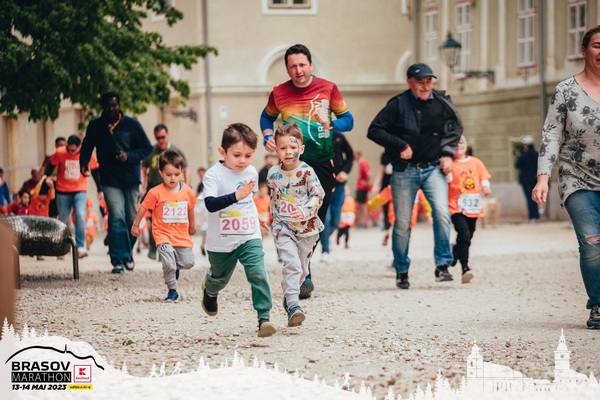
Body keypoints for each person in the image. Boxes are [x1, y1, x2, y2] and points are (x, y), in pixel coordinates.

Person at [260, 43, 354, 298]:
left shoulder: (328, 88)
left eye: (302, 65)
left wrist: (331, 123)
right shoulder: (279, 92)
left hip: (322, 163)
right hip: (291, 164)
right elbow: (266, 118)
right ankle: (304, 275)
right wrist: (267, 135)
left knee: (316, 218)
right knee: (293, 217)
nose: (298, 70)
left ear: (310, 65)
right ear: (287, 69)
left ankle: (303, 265)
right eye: (293, 66)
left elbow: (349, 121)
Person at [367, 62, 462, 289]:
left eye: (429, 81)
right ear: (409, 82)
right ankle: (401, 270)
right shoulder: (397, 104)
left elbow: (452, 130)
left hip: (433, 168)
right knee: (402, 223)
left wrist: (448, 154)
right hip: (404, 170)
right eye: (420, 82)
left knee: (442, 213)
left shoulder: (441, 103)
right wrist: (399, 145)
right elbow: (374, 130)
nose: (425, 86)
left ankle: (442, 264)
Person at [532, 25, 600, 329]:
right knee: (592, 241)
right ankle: (597, 303)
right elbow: (551, 135)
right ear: (584, 51)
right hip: (577, 177)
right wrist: (542, 177)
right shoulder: (566, 90)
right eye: (597, 45)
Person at [199, 123, 276, 337]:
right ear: (222, 152)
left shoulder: (250, 172)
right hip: (221, 241)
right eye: (237, 155)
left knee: (257, 272)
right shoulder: (213, 175)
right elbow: (210, 204)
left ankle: (264, 318)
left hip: (248, 234)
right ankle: (210, 290)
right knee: (219, 279)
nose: (243, 160)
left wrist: (257, 218)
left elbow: (248, 200)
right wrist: (235, 196)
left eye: (248, 156)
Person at [80, 92, 152, 273]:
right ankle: (118, 259)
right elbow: (87, 146)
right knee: (117, 216)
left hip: (131, 177)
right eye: (108, 105)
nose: (111, 109)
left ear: (119, 105)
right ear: (103, 107)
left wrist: (128, 156)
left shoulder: (132, 124)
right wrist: (83, 163)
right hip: (109, 178)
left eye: (114, 105)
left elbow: (147, 148)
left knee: (131, 217)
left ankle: (127, 253)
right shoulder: (96, 125)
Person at [267, 124, 325, 327]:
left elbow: (318, 196)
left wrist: (305, 210)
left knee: (301, 269)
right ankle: (293, 305)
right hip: (283, 228)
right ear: (276, 150)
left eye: (293, 147)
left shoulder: (307, 172)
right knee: (291, 263)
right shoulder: (273, 174)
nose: (289, 152)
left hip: (307, 229)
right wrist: (270, 220)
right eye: (283, 148)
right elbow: (274, 199)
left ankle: (289, 294)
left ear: (302, 148)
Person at [131, 150, 196, 302]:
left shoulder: (187, 191)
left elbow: (191, 208)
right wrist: (135, 225)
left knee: (188, 262)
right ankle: (172, 290)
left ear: (181, 172)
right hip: (162, 234)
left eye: (176, 174)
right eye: (168, 174)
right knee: (168, 262)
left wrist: (192, 226)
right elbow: (143, 208)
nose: (172, 178)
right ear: (161, 173)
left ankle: (174, 267)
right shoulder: (155, 192)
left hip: (181, 235)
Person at [45, 135, 100, 259]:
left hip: (79, 189)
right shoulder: (60, 152)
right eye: (69, 149)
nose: (70, 152)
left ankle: (80, 247)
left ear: (80, 146)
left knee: (80, 215)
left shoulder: (87, 152)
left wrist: (99, 189)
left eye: (73, 150)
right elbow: (50, 165)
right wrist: (46, 176)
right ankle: (62, 248)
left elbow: (95, 171)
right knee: (63, 219)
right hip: (62, 190)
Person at [446, 135, 491, 284]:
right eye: (455, 144)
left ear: (465, 145)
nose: (459, 146)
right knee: (464, 234)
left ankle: (455, 252)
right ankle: (465, 268)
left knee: (469, 234)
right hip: (456, 206)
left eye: (461, 143)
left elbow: (483, 177)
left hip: (473, 206)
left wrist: (485, 186)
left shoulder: (476, 162)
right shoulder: (450, 163)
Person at [142, 124, 190, 260]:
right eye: (158, 138)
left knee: (169, 220)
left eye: (163, 137)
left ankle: (167, 250)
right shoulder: (151, 151)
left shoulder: (176, 150)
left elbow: (186, 169)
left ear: (168, 135)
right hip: (154, 189)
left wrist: (187, 185)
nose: (161, 140)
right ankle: (154, 246)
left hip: (172, 191)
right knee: (154, 221)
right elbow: (143, 169)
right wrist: (143, 185)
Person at [320, 131, 353, 262]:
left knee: (335, 221)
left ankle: (326, 236)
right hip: (322, 185)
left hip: (339, 185)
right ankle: (325, 250)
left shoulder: (338, 137)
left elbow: (350, 156)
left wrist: (345, 171)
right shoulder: (313, 136)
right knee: (326, 219)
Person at [515, 135, 539, 222]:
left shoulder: (523, 154)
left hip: (526, 180)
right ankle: (536, 216)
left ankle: (532, 217)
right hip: (535, 179)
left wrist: (518, 156)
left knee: (529, 198)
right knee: (535, 198)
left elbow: (517, 165)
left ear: (526, 144)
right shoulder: (536, 154)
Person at [354, 151, 371, 228]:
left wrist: (366, 182)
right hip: (360, 186)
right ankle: (360, 222)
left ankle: (364, 222)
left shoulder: (362, 162)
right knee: (360, 205)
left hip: (362, 187)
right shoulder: (360, 162)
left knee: (363, 205)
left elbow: (368, 174)